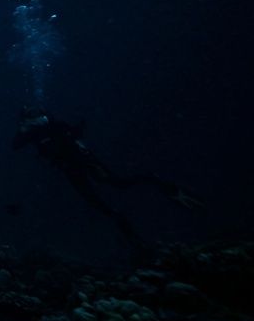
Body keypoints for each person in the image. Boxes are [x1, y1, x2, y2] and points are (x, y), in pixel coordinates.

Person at [12, 106, 200, 250]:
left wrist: (66, 129)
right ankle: (123, 225)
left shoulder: (54, 125)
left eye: (35, 117)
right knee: (93, 200)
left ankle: (160, 184)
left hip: (86, 161)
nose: (35, 121)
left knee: (118, 183)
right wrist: (24, 129)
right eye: (30, 119)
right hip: (70, 170)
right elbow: (15, 145)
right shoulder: (32, 134)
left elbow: (74, 132)